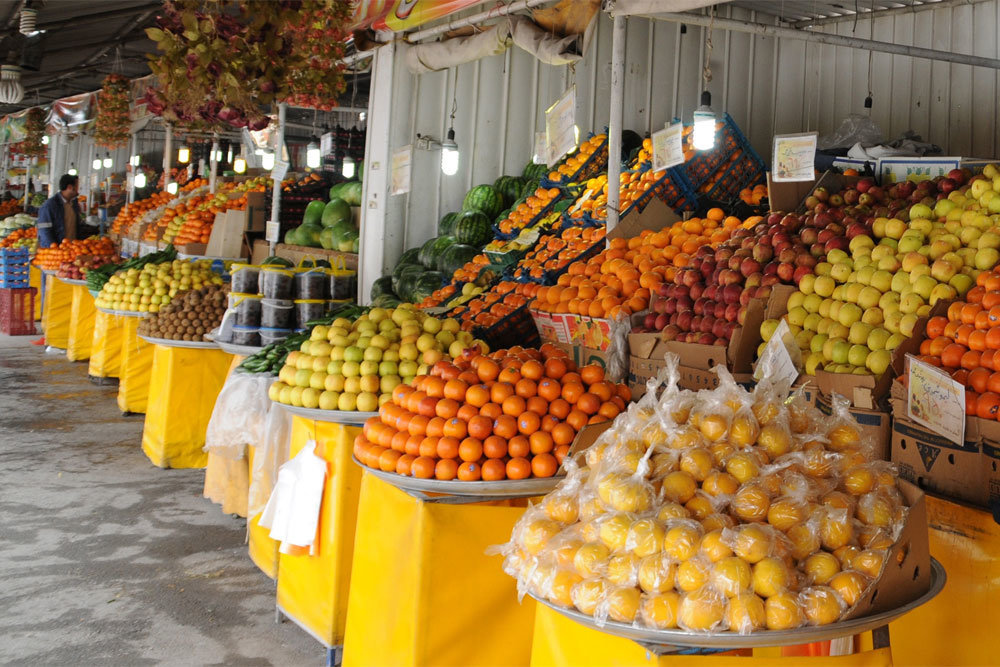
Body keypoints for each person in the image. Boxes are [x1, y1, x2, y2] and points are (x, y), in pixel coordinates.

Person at [36, 173, 82, 248]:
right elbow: (44, 230)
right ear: (70, 187)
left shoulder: (74, 203)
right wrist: (54, 249)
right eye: (77, 186)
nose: (79, 189)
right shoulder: (50, 205)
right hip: (57, 253)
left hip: (72, 250)